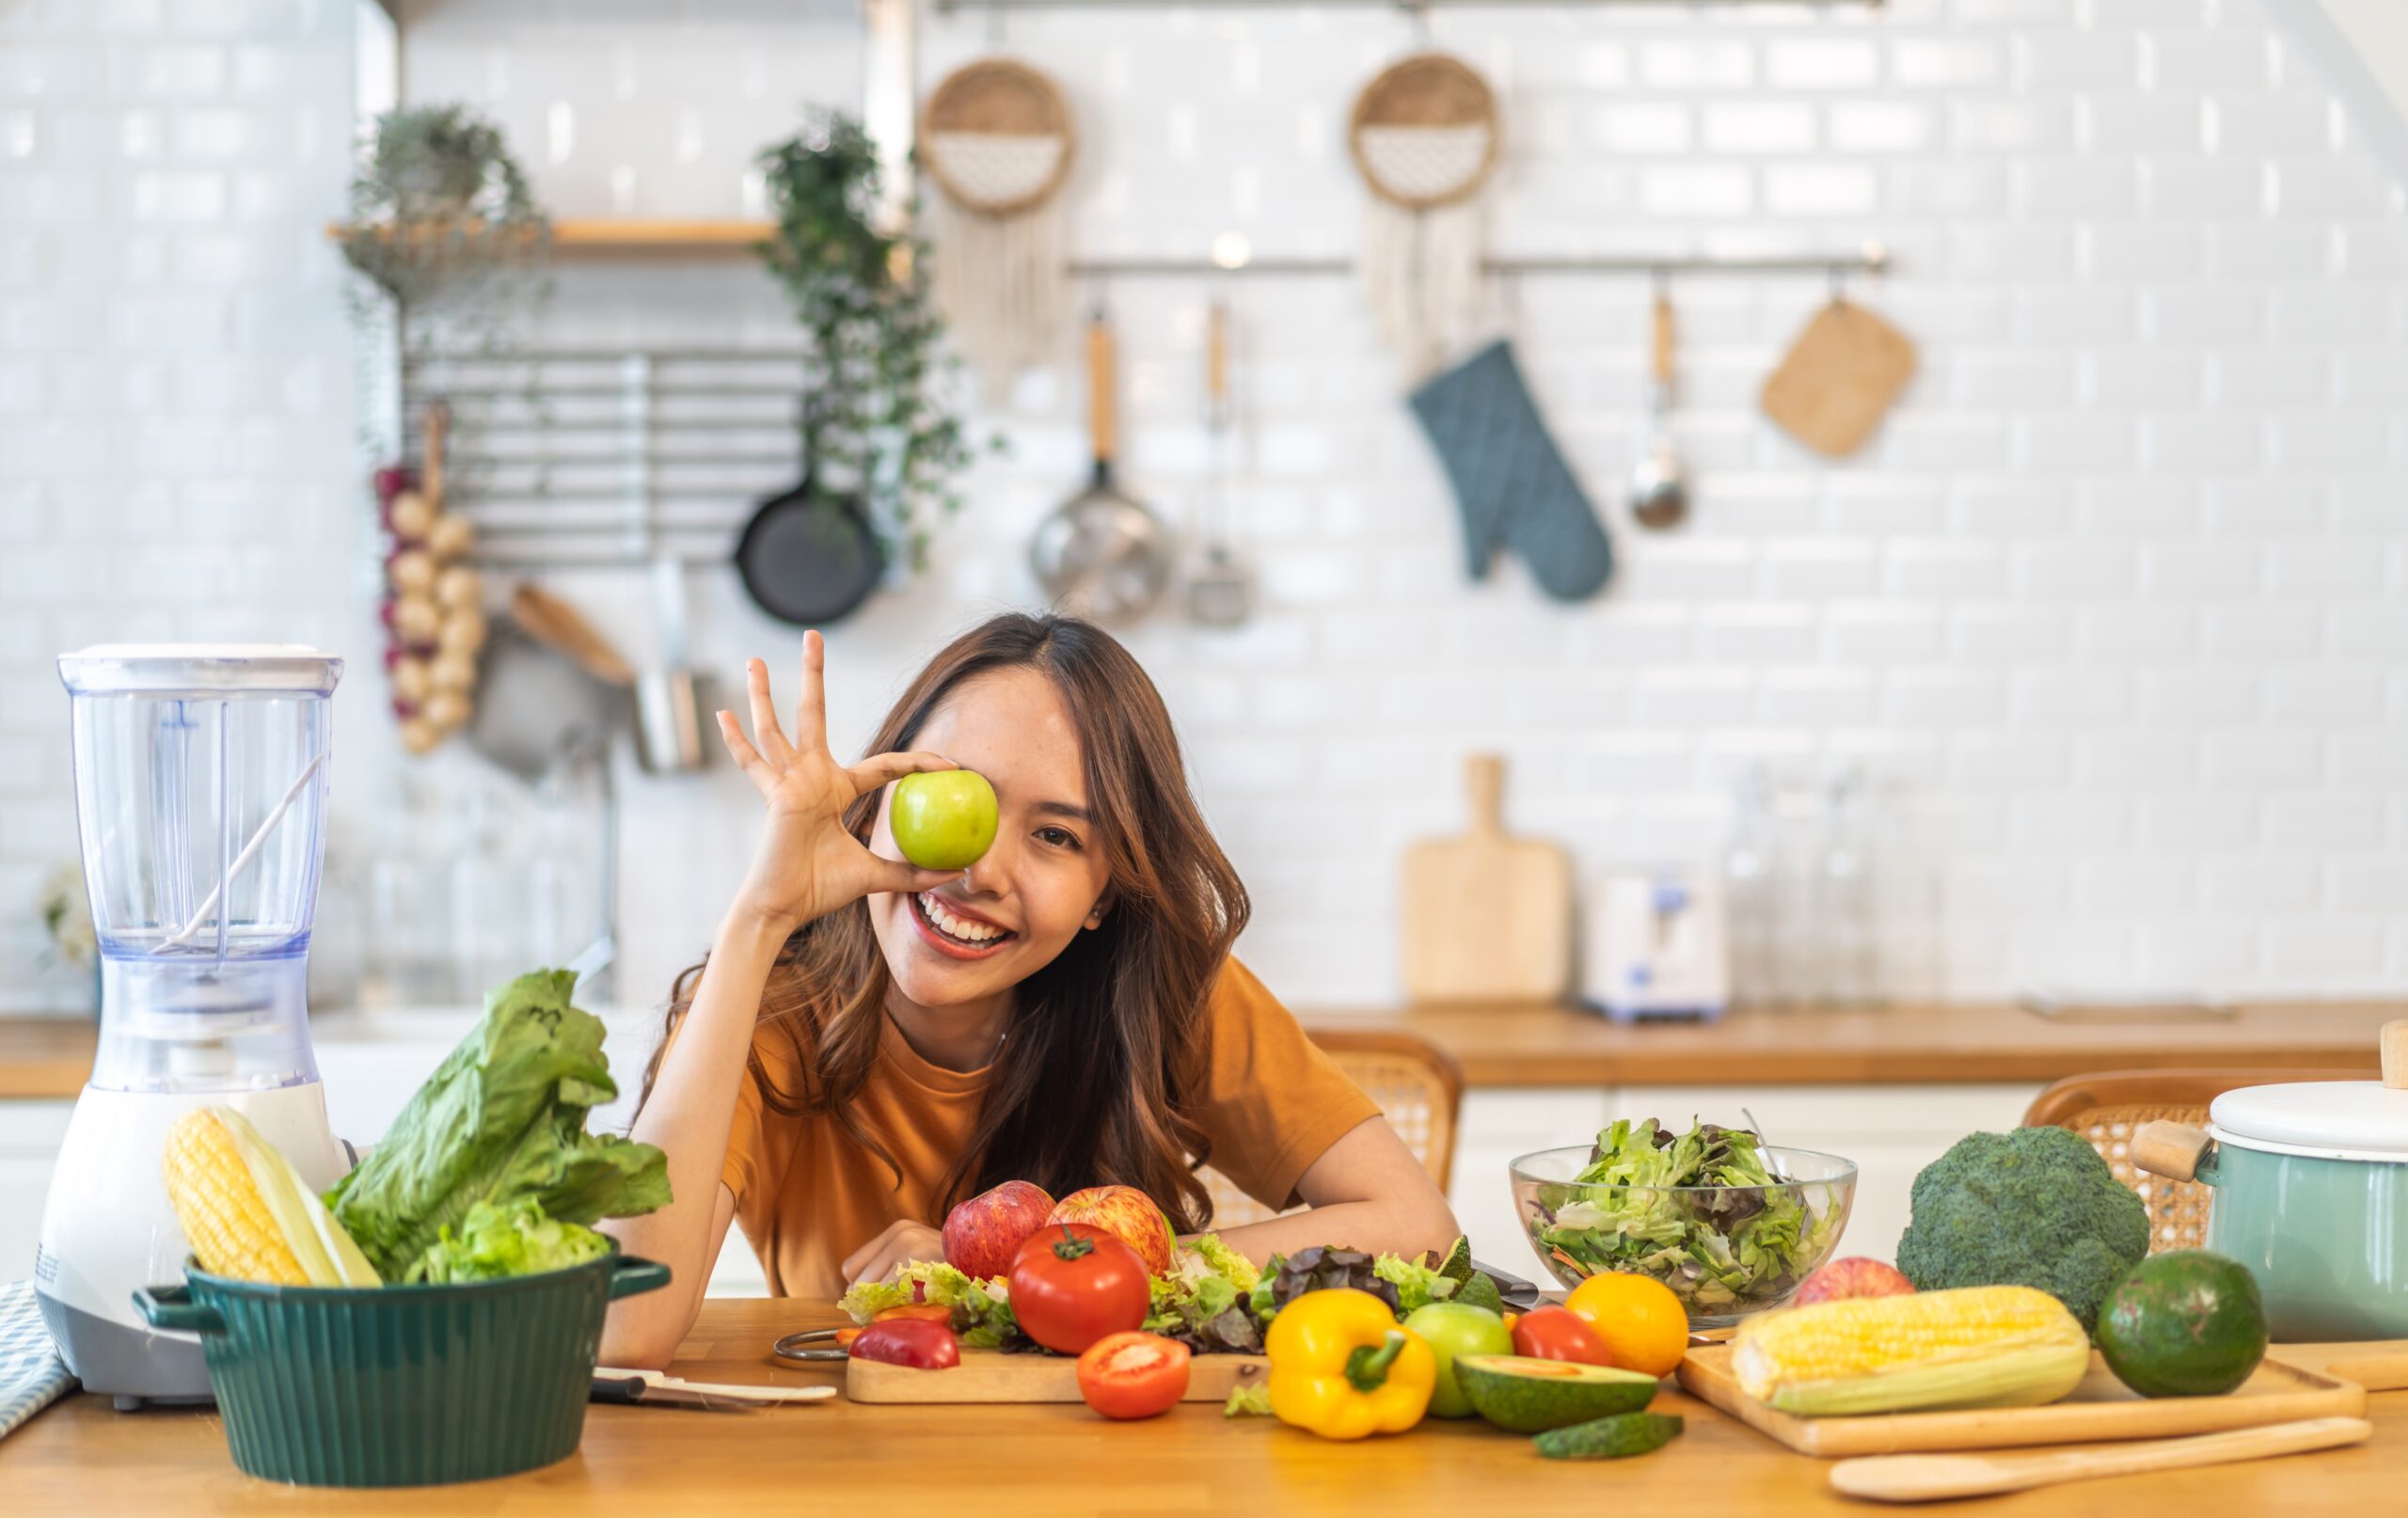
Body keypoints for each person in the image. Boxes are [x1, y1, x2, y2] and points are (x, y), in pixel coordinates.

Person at [600, 613, 1458, 1367]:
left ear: (1102, 897)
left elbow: (1419, 1229)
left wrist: (1020, 1270)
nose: (978, 871)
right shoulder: (766, 1009)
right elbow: (619, 1332)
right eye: (955, 794)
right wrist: (760, 916)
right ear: (877, 797)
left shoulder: (1168, 992)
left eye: (1054, 835)